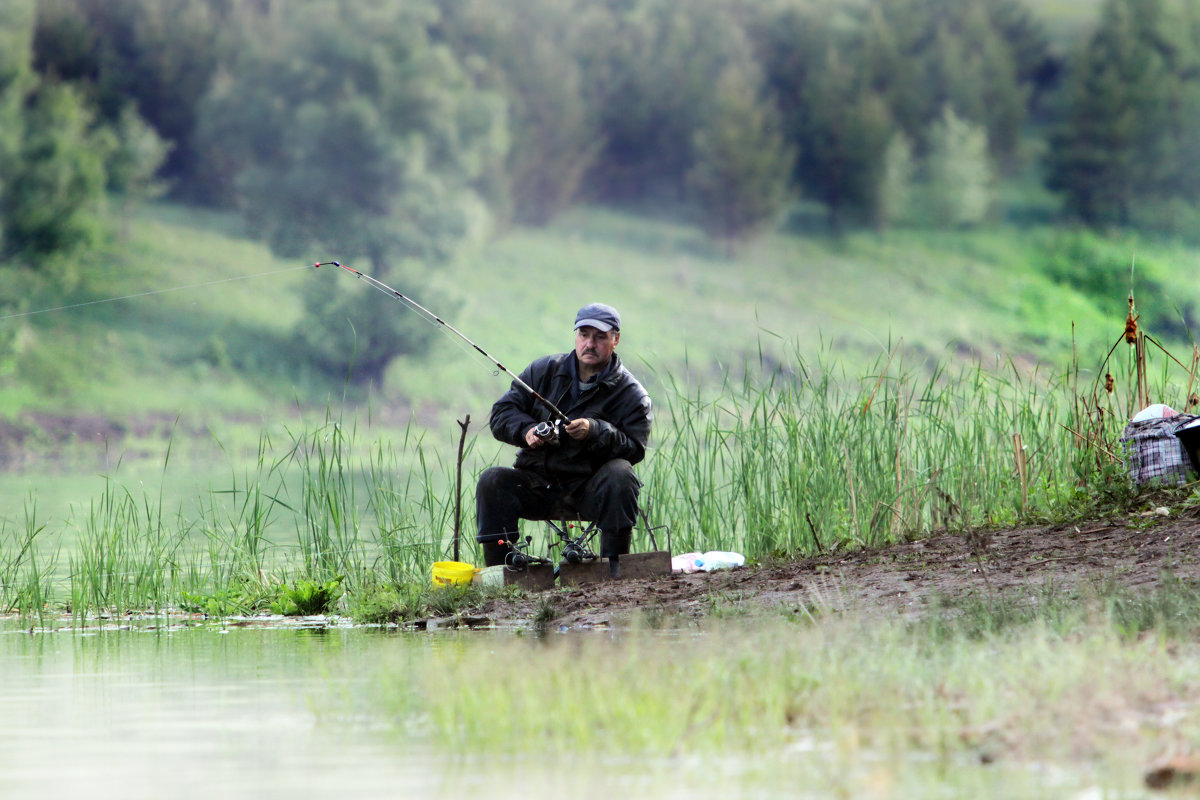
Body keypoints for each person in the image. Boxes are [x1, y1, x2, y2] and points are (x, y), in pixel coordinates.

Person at [475, 302, 652, 575]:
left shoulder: (632, 394)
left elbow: (635, 448)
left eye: (600, 337)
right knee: (492, 480)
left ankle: (614, 571)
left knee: (621, 474)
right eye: (584, 334)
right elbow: (501, 414)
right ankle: (502, 574)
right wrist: (527, 432)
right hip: (538, 484)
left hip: (589, 490)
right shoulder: (543, 371)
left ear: (615, 339)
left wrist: (595, 430)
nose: (589, 344)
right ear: (576, 336)